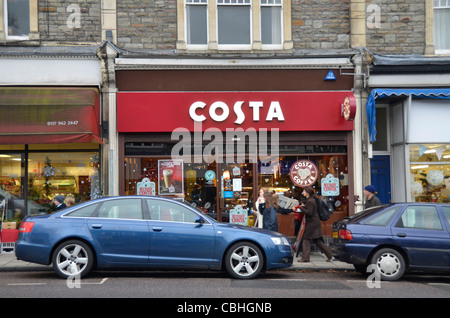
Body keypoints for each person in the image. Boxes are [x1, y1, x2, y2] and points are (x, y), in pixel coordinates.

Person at [297, 187, 333, 262]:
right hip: (314, 223)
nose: (303, 192)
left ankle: (305, 258)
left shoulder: (310, 201)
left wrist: (301, 208)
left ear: (307, 192)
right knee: (317, 241)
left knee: (306, 239)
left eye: (304, 191)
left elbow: (309, 212)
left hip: (312, 223)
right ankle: (329, 254)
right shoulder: (310, 200)